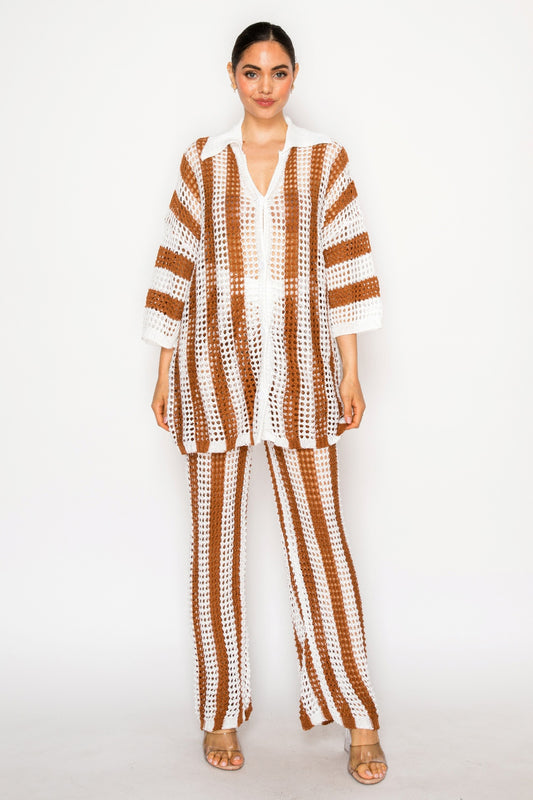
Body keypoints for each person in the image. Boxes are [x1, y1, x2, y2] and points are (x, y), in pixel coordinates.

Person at [141, 20, 388, 785]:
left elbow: (347, 267)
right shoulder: (203, 161)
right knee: (213, 547)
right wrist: (163, 370)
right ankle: (218, 712)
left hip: (302, 373)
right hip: (211, 373)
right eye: (252, 71)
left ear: (294, 76)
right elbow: (175, 263)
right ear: (232, 75)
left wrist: (349, 372)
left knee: (321, 541)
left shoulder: (324, 160)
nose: (265, 86)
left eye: (278, 72)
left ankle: (359, 718)